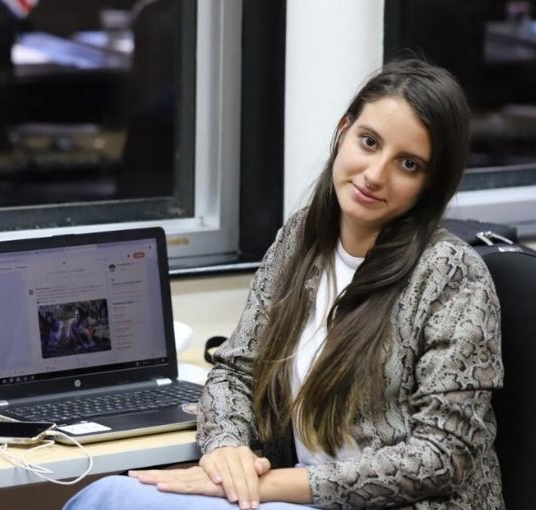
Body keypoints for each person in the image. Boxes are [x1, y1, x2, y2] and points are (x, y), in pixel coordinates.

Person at [64, 58, 504, 509]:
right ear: (343, 130)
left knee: (109, 500)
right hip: (299, 497)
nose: (375, 174)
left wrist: (271, 485)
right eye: (368, 142)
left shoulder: (451, 274)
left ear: (430, 185)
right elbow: (237, 371)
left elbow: (444, 456)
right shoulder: (302, 239)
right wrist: (227, 450)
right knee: (108, 496)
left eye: (408, 164)